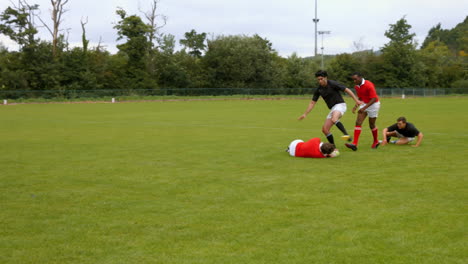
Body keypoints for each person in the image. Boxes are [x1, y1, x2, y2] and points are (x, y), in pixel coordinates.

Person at [298, 70, 362, 145]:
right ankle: (333, 147)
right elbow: (312, 102)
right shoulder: (319, 89)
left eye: (321, 79)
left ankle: (346, 134)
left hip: (340, 105)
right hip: (333, 108)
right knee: (325, 130)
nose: (320, 81)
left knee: (334, 119)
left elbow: (347, 90)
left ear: (326, 78)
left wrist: (356, 100)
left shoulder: (332, 83)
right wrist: (305, 114)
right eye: (318, 79)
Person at [345, 72, 381, 151]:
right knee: (358, 122)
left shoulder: (369, 85)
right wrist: (356, 106)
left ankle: (376, 141)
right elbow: (360, 98)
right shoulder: (357, 86)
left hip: (374, 105)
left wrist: (364, 108)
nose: (354, 81)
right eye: (353, 80)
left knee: (372, 125)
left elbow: (374, 98)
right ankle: (354, 144)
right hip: (364, 104)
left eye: (355, 79)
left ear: (360, 77)